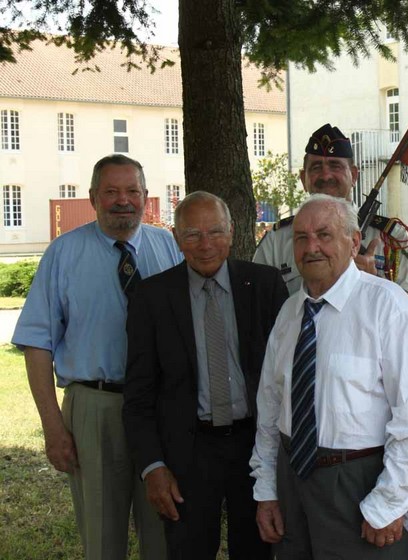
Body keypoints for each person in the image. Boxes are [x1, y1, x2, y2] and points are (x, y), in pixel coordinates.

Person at [250, 194, 408, 559]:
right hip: (293, 479)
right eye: (302, 237)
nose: (312, 247)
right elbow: (270, 410)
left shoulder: (388, 306)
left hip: (360, 484)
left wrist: (389, 502)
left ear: (353, 242)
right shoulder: (290, 313)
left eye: (324, 235)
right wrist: (267, 491)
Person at [11, 154, 182, 560]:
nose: (123, 201)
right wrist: (53, 428)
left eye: (132, 191)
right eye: (111, 192)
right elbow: (37, 344)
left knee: (165, 532)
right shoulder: (63, 253)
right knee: (103, 539)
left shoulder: (169, 248)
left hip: (159, 409)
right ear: (92, 198)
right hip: (95, 406)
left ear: (146, 197)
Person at [122, 191, 288, 560]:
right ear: (177, 239)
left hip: (255, 447)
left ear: (231, 233)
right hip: (188, 452)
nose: (205, 244)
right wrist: (153, 466)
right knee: (188, 550)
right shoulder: (151, 298)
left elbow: (285, 378)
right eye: (192, 235)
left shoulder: (265, 285)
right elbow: (138, 396)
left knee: (257, 551)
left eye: (215, 232)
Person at [253, 123, 408, 307]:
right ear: (303, 179)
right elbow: (256, 303)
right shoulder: (276, 241)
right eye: (316, 167)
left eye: (335, 165)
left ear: (353, 175)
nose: (326, 175)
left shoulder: (391, 237)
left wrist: (375, 283)